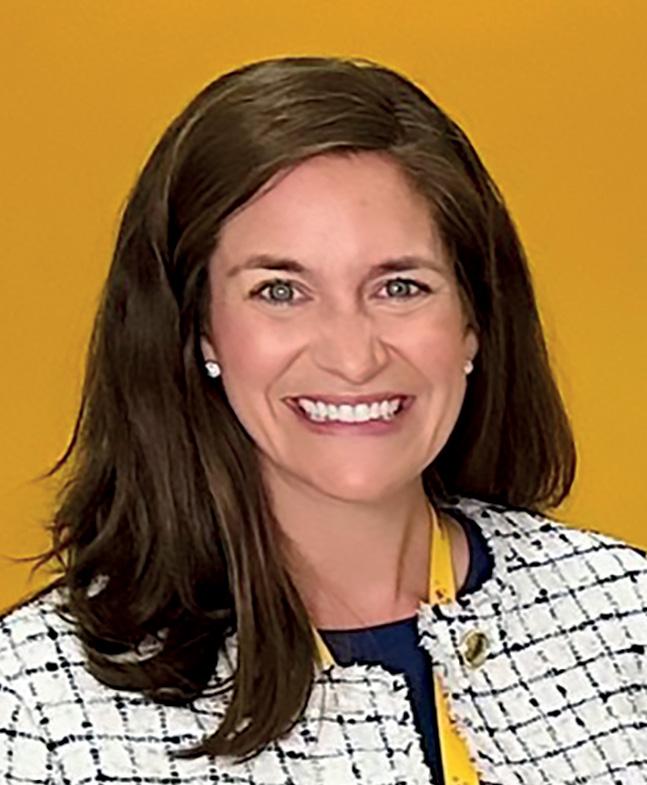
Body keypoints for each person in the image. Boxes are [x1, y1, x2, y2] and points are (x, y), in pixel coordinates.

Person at [1, 55, 645, 785]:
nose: (353, 356)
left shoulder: (625, 618)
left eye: (399, 286)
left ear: (473, 321)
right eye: (280, 291)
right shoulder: (39, 706)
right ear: (200, 330)